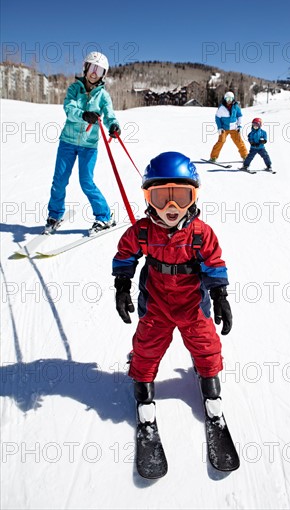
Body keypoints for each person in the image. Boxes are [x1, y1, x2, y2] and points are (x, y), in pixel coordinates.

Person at [112, 151, 233, 421]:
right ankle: (143, 385)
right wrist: (122, 285)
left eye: (180, 196)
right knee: (147, 345)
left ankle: (210, 379)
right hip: (156, 304)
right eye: (160, 197)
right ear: (148, 198)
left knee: (205, 342)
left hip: (192, 305)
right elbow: (125, 255)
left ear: (193, 197)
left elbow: (214, 262)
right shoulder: (142, 231)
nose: (171, 207)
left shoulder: (200, 233)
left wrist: (219, 294)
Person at [46, 51, 121, 235]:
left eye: (99, 70)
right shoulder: (74, 88)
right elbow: (69, 108)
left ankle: (104, 217)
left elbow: (110, 114)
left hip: (89, 145)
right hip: (68, 142)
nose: (94, 73)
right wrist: (83, 115)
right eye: (92, 68)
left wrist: (114, 126)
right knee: (59, 181)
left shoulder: (103, 95)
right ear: (86, 68)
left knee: (86, 181)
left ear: (104, 74)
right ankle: (55, 215)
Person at [210, 91, 248, 162]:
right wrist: (220, 127)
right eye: (227, 99)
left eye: (231, 99)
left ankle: (245, 156)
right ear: (225, 99)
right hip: (224, 128)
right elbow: (217, 118)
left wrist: (239, 125)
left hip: (234, 128)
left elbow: (239, 116)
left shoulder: (236, 107)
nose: (229, 100)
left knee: (239, 141)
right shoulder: (221, 108)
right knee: (221, 141)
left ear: (233, 99)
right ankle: (213, 157)